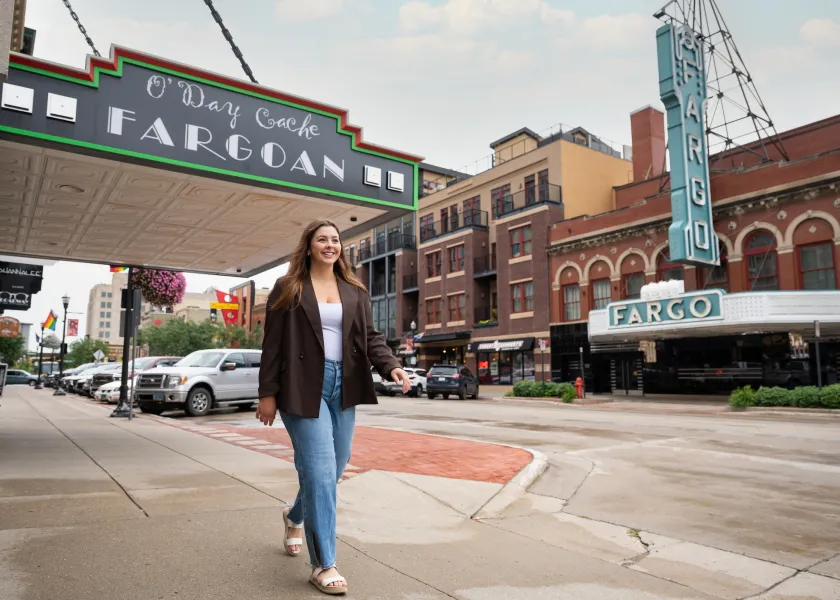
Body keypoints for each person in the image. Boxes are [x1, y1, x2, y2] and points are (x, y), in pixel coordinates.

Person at [257, 219, 411, 596]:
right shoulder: (289, 287)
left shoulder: (354, 289)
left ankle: (294, 516)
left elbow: (370, 337)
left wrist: (391, 365)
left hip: (345, 384)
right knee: (321, 472)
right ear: (308, 247)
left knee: (334, 469)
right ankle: (324, 563)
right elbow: (273, 344)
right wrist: (267, 393)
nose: (330, 245)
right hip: (301, 385)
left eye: (335, 240)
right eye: (322, 239)